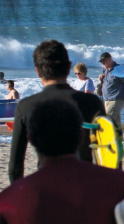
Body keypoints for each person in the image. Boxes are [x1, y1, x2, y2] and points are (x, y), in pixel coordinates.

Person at [8, 40, 106, 183]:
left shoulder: (26, 106)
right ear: (68, 68)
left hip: (46, 186)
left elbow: (15, 166)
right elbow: (107, 150)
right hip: (85, 186)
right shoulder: (92, 103)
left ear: (37, 71)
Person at [98, 52, 124, 139]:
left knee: (106, 119)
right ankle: (120, 141)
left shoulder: (119, 69)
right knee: (116, 122)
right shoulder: (106, 70)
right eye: (102, 62)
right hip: (107, 99)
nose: (103, 64)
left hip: (117, 99)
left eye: (104, 62)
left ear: (110, 59)